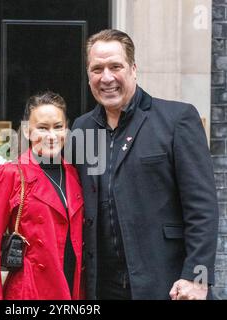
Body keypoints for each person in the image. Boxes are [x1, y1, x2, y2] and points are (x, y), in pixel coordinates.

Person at [71, 29, 219, 300]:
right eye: (97, 69)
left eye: (116, 66)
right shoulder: (81, 129)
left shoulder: (177, 119)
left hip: (168, 285)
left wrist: (198, 278)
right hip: (101, 287)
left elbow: (203, 209)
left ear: (134, 69)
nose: (106, 77)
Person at [0, 91, 84, 299]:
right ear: (27, 131)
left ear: (67, 129)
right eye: (42, 128)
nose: (51, 136)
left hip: (72, 289)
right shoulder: (9, 174)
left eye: (58, 127)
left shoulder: (74, 173)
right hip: (30, 292)